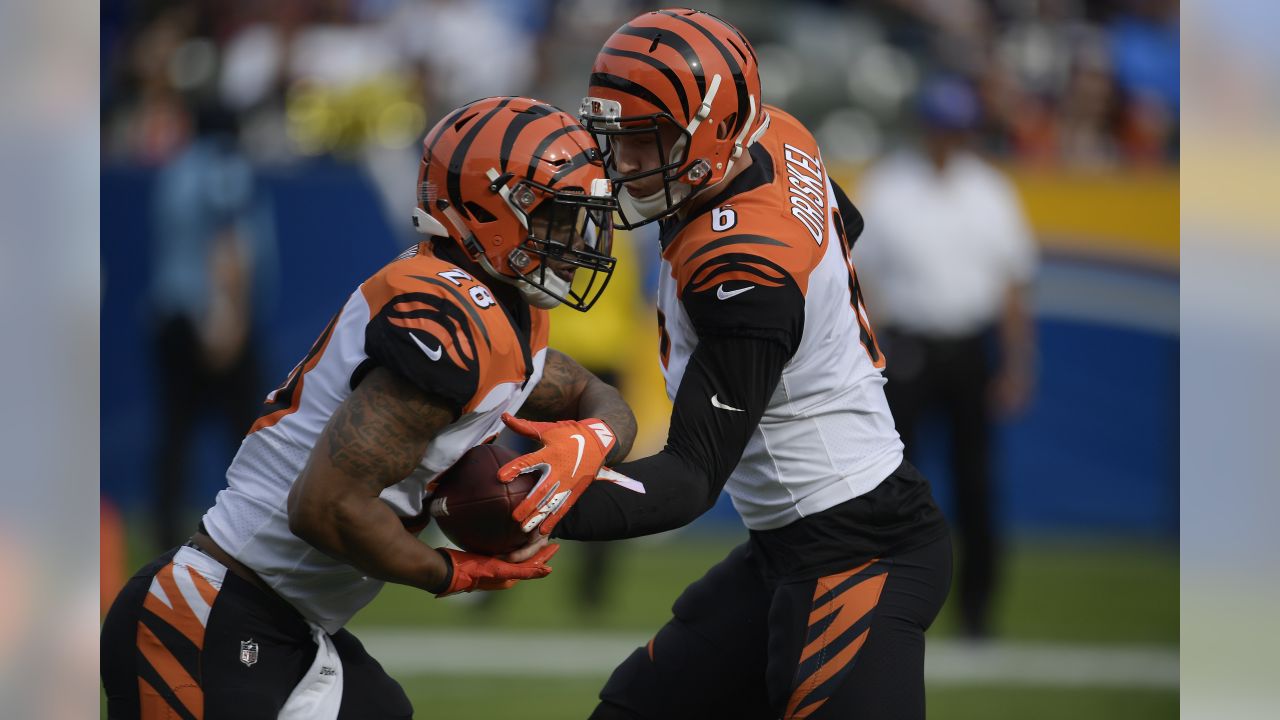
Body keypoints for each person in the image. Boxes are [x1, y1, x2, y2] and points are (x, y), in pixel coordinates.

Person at [101, 96, 637, 720]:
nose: (573, 238)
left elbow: (592, 394)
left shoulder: (506, 316)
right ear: (489, 208)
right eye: (554, 215)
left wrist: (592, 440)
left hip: (292, 625)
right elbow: (326, 509)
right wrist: (449, 572)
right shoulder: (450, 320)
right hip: (211, 616)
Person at [495, 9, 952, 720]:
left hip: (855, 548)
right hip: (789, 545)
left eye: (647, 142)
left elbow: (688, 479)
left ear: (711, 129)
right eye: (616, 139)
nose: (625, 164)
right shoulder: (775, 134)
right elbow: (841, 224)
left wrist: (527, 508)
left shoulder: (743, 270)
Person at [853, 76, 1038, 639]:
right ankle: (878, 603)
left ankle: (977, 614)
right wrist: (865, 361)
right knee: (889, 478)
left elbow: (1011, 287)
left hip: (967, 347)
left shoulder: (991, 191)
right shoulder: (889, 186)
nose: (946, 138)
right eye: (938, 126)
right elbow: (867, 284)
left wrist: (1017, 362)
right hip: (907, 347)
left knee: (976, 485)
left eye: (955, 128)